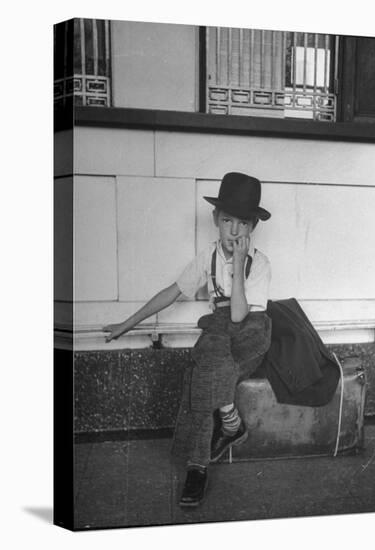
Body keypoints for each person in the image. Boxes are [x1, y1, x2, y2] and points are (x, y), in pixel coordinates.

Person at [103, 172, 272, 508]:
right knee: (205, 366)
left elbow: (240, 315)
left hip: (251, 332)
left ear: (252, 226)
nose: (234, 231)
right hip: (219, 335)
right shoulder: (205, 257)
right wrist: (127, 323)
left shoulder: (260, 263)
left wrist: (238, 264)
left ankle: (225, 432)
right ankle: (206, 455)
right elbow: (172, 292)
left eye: (242, 223)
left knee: (211, 356)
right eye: (227, 221)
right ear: (215, 220)